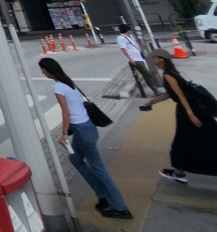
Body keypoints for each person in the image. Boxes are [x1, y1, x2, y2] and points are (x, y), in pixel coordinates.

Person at [39, 57, 131, 219]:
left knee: (99, 168)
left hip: (82, 131)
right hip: (87, 127)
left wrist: (64, 133)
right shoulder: (68, 82)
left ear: (49, 70)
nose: (42, 72)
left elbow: (65, 111)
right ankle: (103, 196)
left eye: (43, 69)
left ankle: (120, 206)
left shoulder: (59, 87)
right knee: (76, 159)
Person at [140, 49, 217, 184]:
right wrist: (151, 102)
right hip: (190, 110)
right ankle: (178, 171)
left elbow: (180, 95)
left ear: (161, 59)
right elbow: (170, 93)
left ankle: (179, 172)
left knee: (185, 142)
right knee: (198, 140)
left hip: (188, 112)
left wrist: (190, 114)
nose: (152, 61)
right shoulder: (172, 73)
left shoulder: (168, 75)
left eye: (154, 58)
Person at [117, 24, 161, 96]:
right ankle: (155, 91)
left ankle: (155, 90)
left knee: (146, 73)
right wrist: (130, 59)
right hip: (134, 59)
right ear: (127, 30)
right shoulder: (121, 38)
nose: (131, 31)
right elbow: (123, 49)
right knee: (146, 74)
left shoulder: (128, 37)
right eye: (130, 29)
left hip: (138, 58)